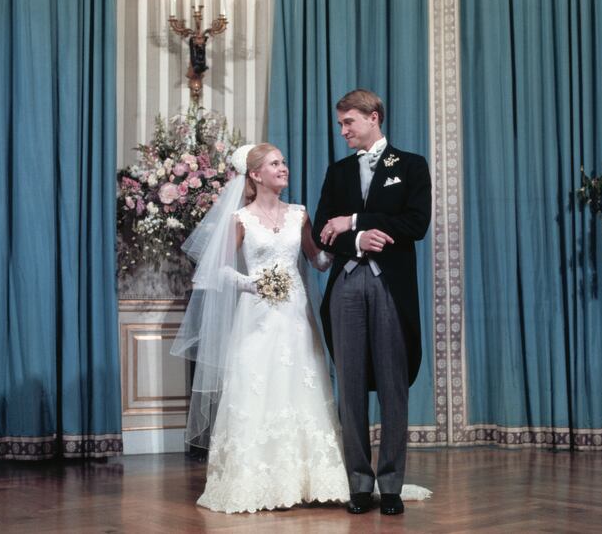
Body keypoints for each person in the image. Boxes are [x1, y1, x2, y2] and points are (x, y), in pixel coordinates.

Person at [171, 142, 430, 514]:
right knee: (258, 388)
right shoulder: (241, 219)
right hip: (256, 317)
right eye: (275, 163)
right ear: (256, 174)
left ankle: (310, 479)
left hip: (295, 316)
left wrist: (352, 247)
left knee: (301, 387)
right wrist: (252, 283)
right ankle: (259, 478)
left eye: (284, 162)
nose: (284, 167)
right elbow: (215, 270)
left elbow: (320, 259)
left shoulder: (299, 215)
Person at [313, 89, 432, 515]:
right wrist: (358, 237)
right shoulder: (338, 171)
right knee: (350, 387)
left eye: (349, 122)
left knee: (393, 387)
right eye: (341, 123)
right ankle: (359, 484)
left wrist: (358, 220)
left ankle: (393, 484)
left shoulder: (412, 166)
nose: (343, 131)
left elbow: (415, 224)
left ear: (374, 117)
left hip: (390, 288)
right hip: (346, 283)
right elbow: (322, 231)